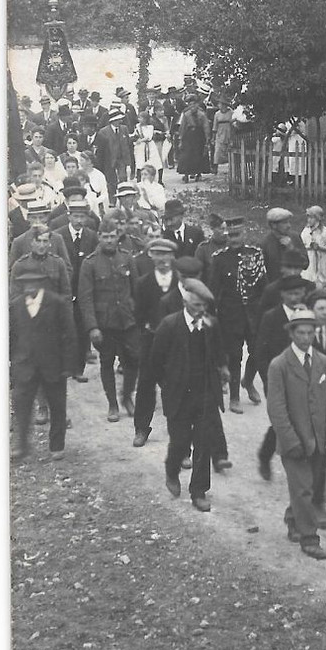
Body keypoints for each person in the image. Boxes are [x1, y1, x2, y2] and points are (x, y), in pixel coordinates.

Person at [150, 277, 230, 511]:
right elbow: (155, 362)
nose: (201, 311)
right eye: (196, 306)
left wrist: (223, 368)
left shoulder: (211, 324)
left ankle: (199, 491)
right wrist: (169, 385)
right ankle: (171, 471)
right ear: (185, 303)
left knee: (203, 443)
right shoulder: (169, 325)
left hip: (205, 393)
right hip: (178, 395)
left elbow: (219, 351)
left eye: (204, 306)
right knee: (180, 442)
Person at [266, 309, 326, 559]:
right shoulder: (279, 365)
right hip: (294, 441)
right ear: (291, 333)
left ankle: (292, 519)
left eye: (310, 333)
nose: (306, 338)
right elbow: (276, 408)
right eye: (300, 333)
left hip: (318, 439)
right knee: (303, 490)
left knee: (307, 487)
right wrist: (290, 440)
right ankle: (310, 538)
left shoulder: (323, 362)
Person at [9, 263, 76, 462]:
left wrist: (69, 365)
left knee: (57, 405)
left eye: (32, 281)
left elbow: (69, 335)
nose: (28, 286)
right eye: (24, 282)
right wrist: (11, 361)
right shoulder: (15, 306)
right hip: (24, 365)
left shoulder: (56, 303)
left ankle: (57, 446)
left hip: (52, 364)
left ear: (41, 282)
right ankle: (21, 445)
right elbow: (10, 336)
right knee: (22, 406)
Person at [78, 214, 139, 423]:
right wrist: (92, 327)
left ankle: (127, 396)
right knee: (106, 363)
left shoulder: (127, 257)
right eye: (105, 237)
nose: (110, 240)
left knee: (133, 359)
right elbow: (85, 298)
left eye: (113, 236)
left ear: (118, 236)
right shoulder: (90, 263)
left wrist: (139, 317)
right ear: (99, 237)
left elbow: (136, 290)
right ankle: (112, 404)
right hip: (105, 323)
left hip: (128, 320)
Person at [208, 216, 266, 413]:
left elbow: (262, 285)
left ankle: (248, 380)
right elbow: (213, 290)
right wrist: (212, 315)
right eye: (230, 235)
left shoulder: (255, 254)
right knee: (234, 356)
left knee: (258, 351)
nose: (234, 239)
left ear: (245, 233)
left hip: (253, 313)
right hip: (230, 315)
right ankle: (234, 397)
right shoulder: (220, 258)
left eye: (237, 234)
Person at [255, 275, 309, 481]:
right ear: (282, 295)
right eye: (291, 294)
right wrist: (268, 380)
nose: (295, 298)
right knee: (281, 419)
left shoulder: (306, 315)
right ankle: (265, 456)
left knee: (299, 418)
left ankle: (300, 458)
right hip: (277, 380)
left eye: (299, 293)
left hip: (302, 378)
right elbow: (260, 352)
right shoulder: (271, 317)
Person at [131, 236, 179, 448]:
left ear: (173, 257)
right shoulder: (143, 283)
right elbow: (139, 315)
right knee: (146, 385)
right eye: (157, 254)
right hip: (151, 341)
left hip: (176, 343)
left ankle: (180, 438)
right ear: (151, 256)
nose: (162, 259)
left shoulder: (181, 282)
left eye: (166, 254)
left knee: (176, 388)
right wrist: (148, 332)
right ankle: (142, 428)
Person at [55, 200, 99, 382]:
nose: (79, 220)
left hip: (84, 289)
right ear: (69, 216)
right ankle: (64, 366)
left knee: (82, 328)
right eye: (76, 216)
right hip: (64, 288)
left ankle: (78, 368)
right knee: (64, 328)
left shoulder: (92, 236)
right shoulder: (58, 235)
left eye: (82, 217)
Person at [9, 224, 72, 304]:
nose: (42, 246)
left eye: (45, 241)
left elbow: (66, 296)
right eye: (38, 241)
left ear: (49, 242)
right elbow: (15, 298)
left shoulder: (58, 263)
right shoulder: (20, 265)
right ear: (32, 242)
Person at [9, 201, 72, 269]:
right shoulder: (19, 242)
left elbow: (67, 267)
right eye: (34, 218)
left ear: (47, 218)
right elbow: (12, 270)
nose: (38, 221)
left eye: (41, 217)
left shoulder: (57, 239)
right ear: (28, 218)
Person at [95, 107, 133, 201]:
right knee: (111, 181)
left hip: (122, 159)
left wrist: (129, 162)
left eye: (120, 119)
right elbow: (101, 150)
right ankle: (112, 200)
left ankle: (123, 199)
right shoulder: (103, 132)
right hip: (109, 160)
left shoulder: (124, 129)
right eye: (117, 119)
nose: (119, 121)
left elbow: (128, 145)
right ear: (112, 121)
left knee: (123, 178)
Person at [261, 207, 306, 283]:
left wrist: (292, 249)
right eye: (285, 223)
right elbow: (262, 273)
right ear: (273, 225)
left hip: (295, 286)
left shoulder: (295, 238)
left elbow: (305, 264)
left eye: (289, 222)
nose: (289, 225)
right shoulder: (265, 243)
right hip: (275, 288)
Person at [177, 93, 210, 182]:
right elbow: (182, 127)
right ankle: (186, 174)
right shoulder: (186, 114)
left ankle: (198, 173)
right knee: (187, 155)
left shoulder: (202, 114)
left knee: (198, 154)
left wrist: (207, 138)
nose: (192, 106)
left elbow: (206, 126)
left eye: (194, 104)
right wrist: (180, 139)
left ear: (197, 104)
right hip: (189, 136)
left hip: (199, 136)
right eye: (190, 104)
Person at [301, 206, 326, 288]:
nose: (309, 220)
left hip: (322, 259)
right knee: (308, 279)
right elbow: (301, 245)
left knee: (323, 281)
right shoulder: (306, 231)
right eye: (308, 218)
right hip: (309, 258)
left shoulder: (324, 231)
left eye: (312, 218)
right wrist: (309, 247)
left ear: (318, 219)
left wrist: (319, 247)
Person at [133, 113, 164, 181]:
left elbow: (148, 137)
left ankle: (160, 180)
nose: (139, 119)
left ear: (145, 119)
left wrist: (140, 140)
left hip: (150, 146)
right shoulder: (137, 126)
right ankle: (139, 180)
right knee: (140, 162)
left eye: (141, 118)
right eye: (139, 118)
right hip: (141, 147)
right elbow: (135, 134)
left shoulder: (150, 127)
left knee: (156, 162)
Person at [194, 211, 227, 276]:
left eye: (226, 229)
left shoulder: (232, 246)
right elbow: (197, 274)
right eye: (221, 229)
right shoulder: (203, 249)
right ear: (212, 229)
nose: (225, 232)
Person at [79, 150, 110, 215]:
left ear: (89, 161)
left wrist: (95, 202)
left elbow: (104, 194)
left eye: (82, 160)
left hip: (96, 208)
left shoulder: (99, 175)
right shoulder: (78, 174)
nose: (80, 163)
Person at [211, 95, 233, 173]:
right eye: (219, 104)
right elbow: (214, 126)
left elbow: (233, 123)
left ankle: (231, 168)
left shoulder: (231, 112)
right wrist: (213, 137)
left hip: (229, 132)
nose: (219, 105)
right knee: (217, 150)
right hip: (220, 133)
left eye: (221, 104)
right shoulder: (217, 114)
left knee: (229, 150)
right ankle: (215, 167)